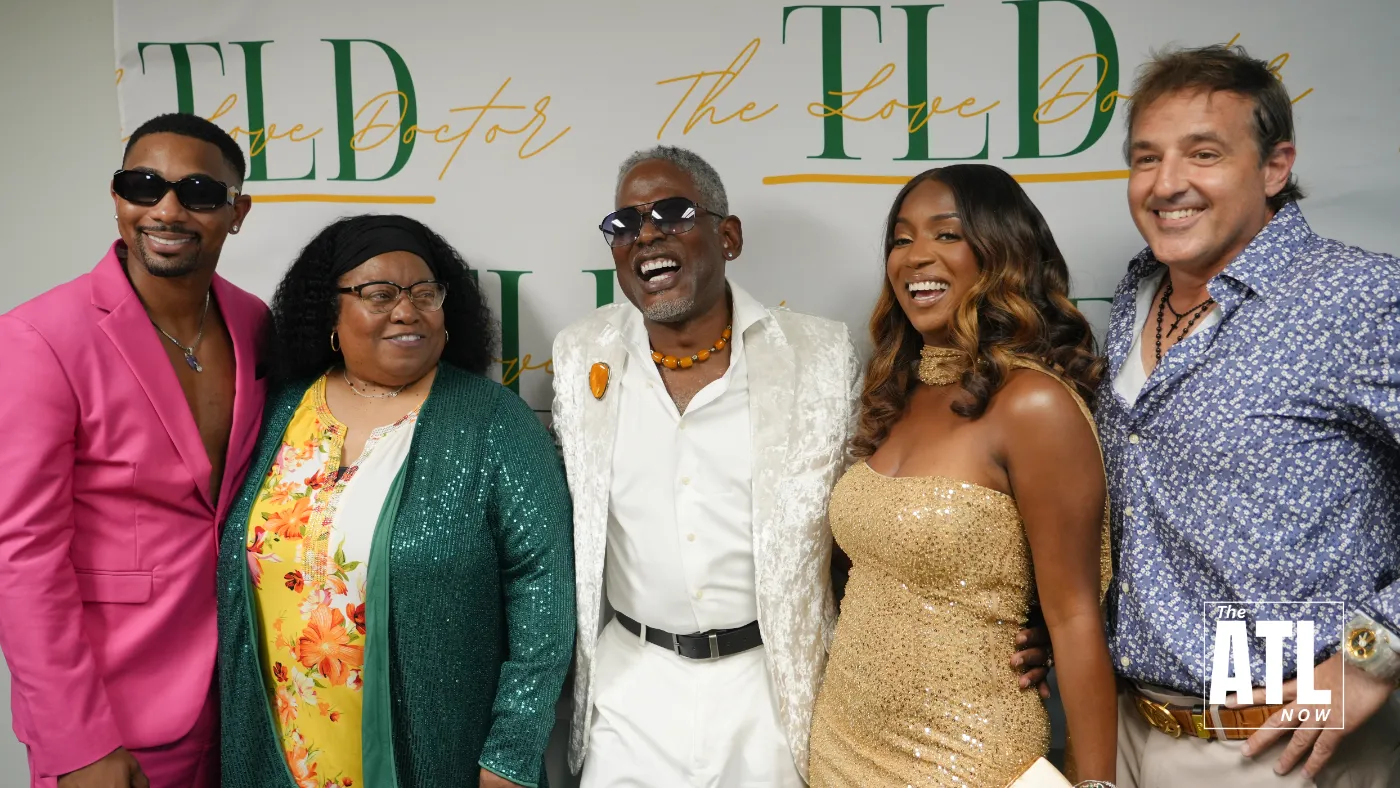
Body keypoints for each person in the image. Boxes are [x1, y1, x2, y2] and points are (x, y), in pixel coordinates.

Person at [550, 147, 1056, 787]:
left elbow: (877, 522)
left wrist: (1029, 620)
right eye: (624, 223)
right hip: (630, 694)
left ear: (728, 237)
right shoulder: (579, 356)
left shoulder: (822, 356)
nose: (646, 234)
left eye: (672, 213)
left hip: (775, 693)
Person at [1099, 44, 1400, 787]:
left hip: (1282, 748)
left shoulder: (1360, 298)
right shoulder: (1135, 296)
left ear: (1274, 167)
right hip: (1130, 730)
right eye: (1146, 159)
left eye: (1203, 154)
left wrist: (1375, 657)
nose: (1167, 183)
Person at [216, 214, 575, 788]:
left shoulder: (494, 420)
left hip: (436, 755)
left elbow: (544, 595)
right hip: (282, 747)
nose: (407, 311)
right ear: (330, 313)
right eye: (379, 295)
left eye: (424, 294)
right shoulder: (282, 411)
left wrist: (510, 756)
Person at [807, 164, 1118, 787]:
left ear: (1002, 252)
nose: (916, 256)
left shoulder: (1034, 405)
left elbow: (1076, 620)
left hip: (967, 760)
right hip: (840, 747)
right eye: (901, 239)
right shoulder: (893, 393)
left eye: (946, 234)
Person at [0, 113, 264, 788]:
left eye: (198, 192)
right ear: (117, 197)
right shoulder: (38, 338)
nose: (166, 210)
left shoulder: (255, 323)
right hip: (118, 717)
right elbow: (22, 557)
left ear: (237, 213)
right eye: (143, 185)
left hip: (251, 705)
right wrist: (77, 744)